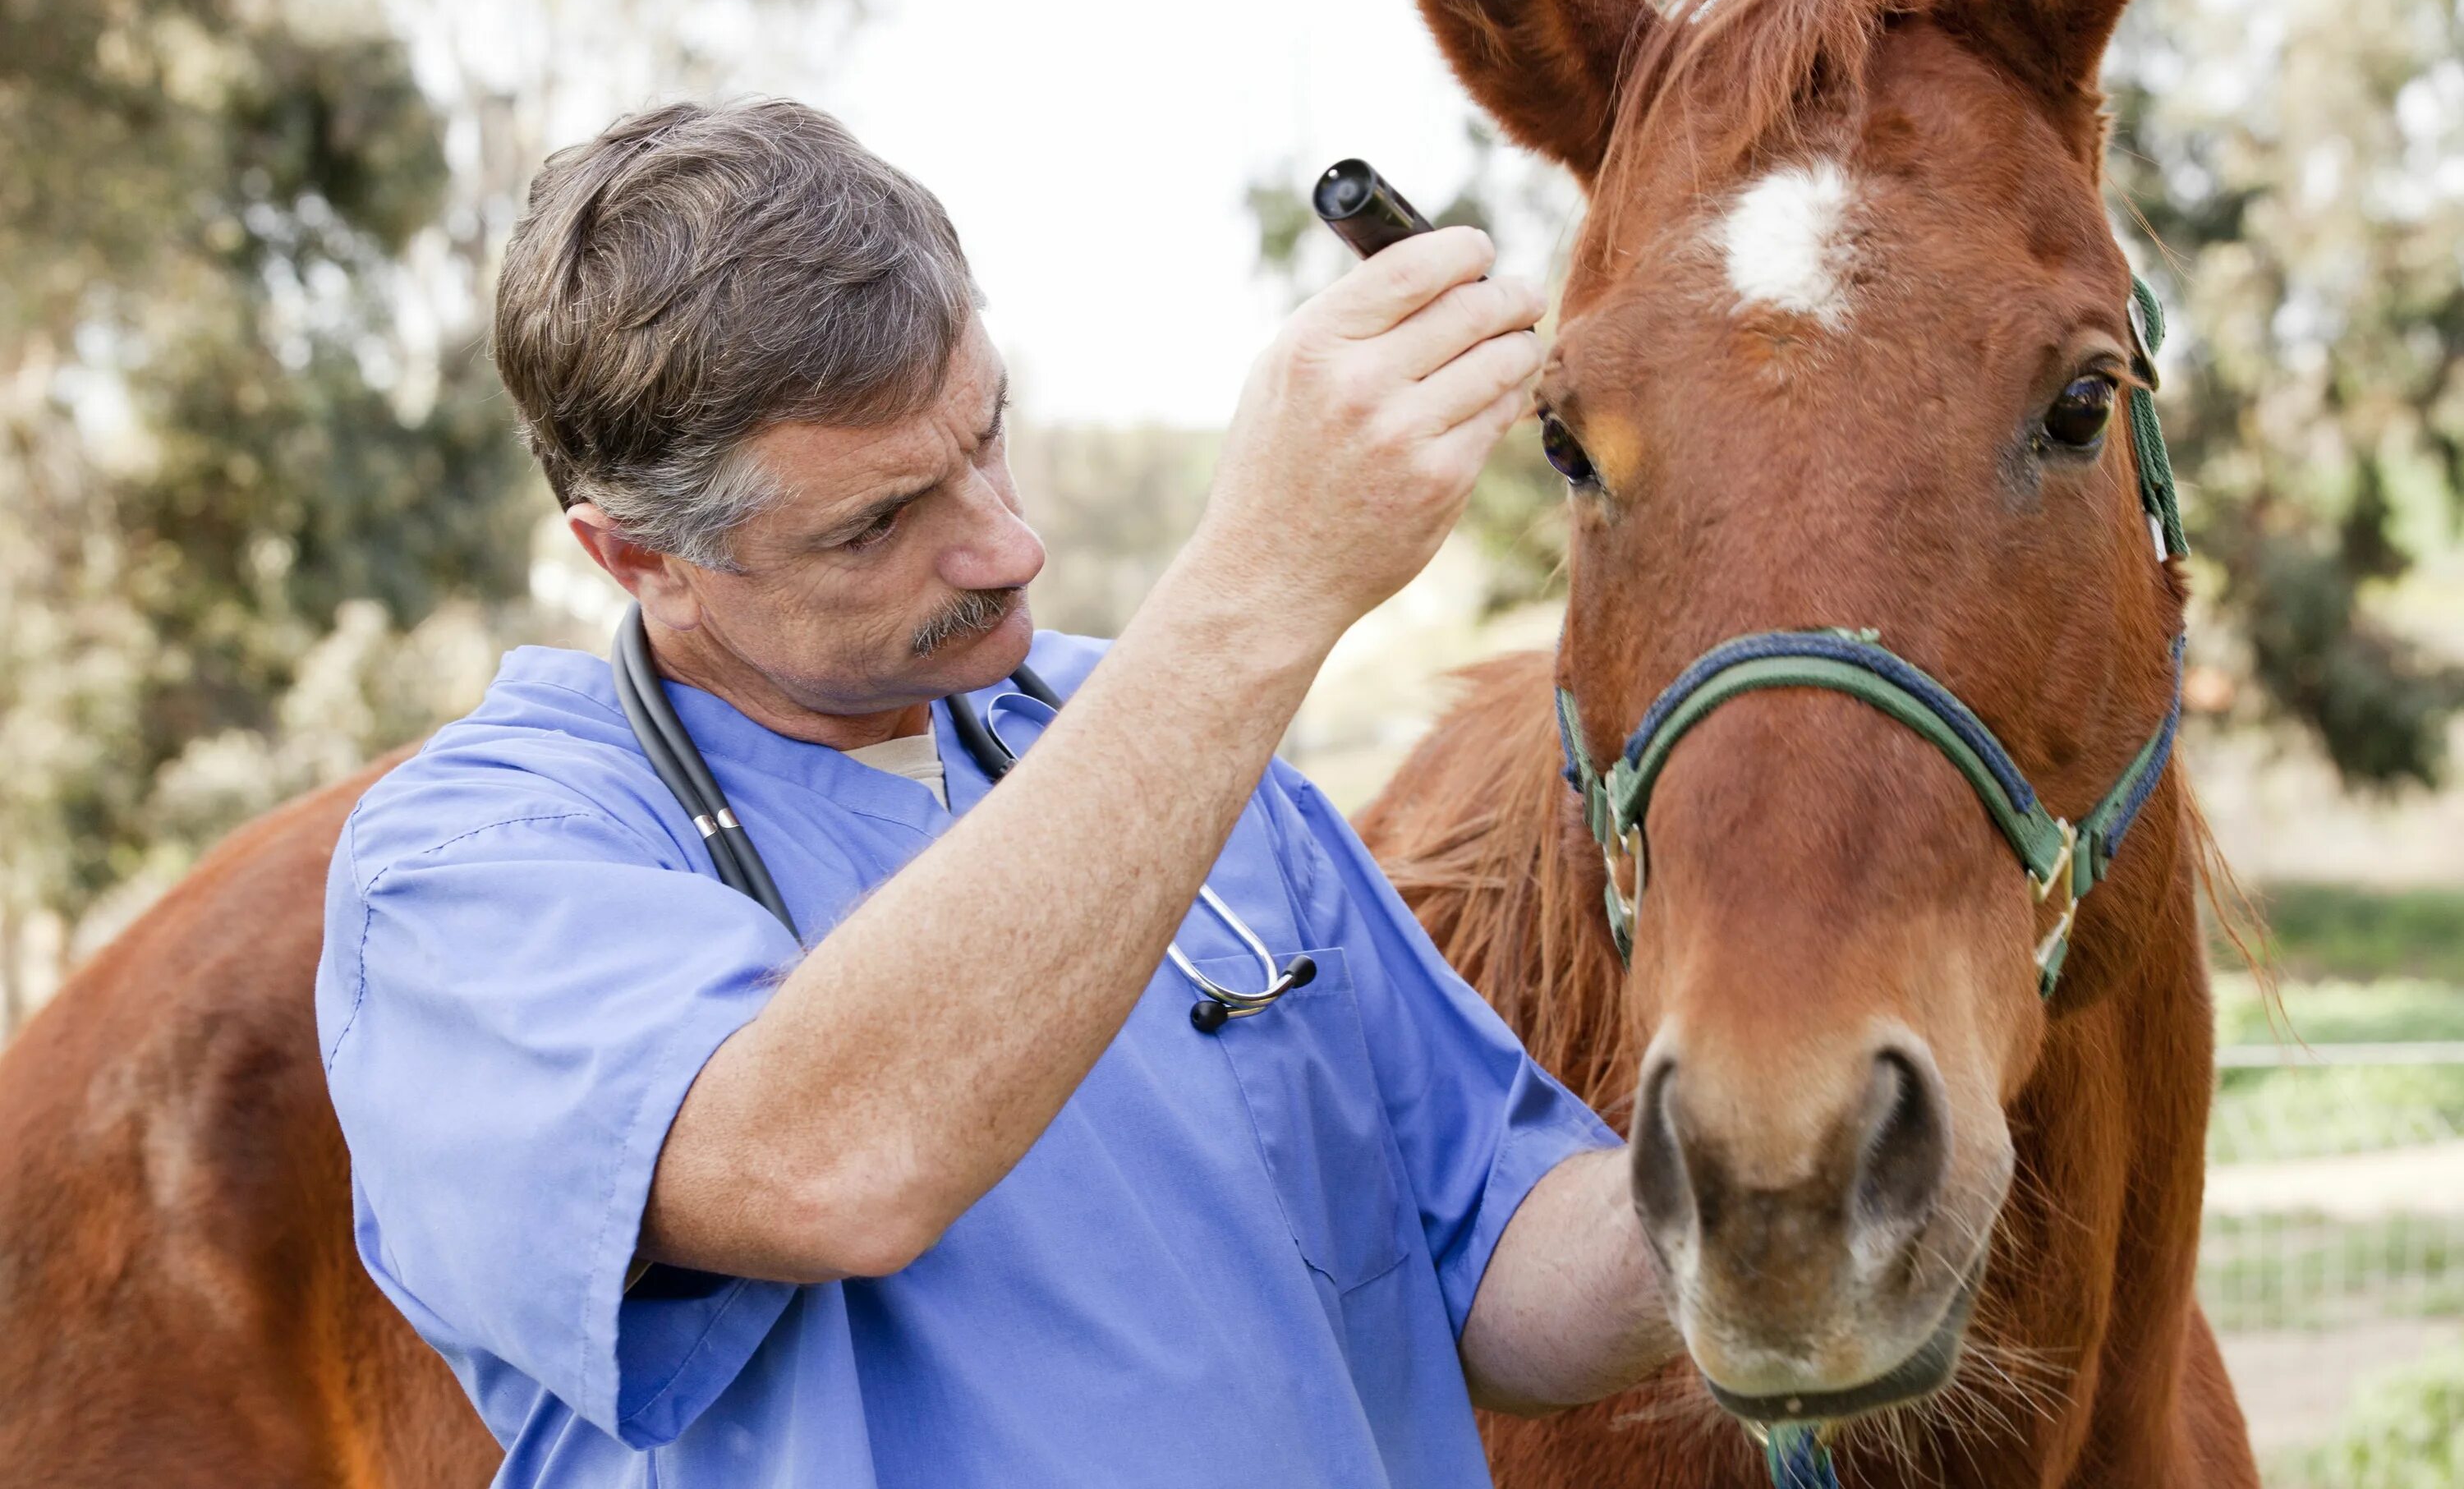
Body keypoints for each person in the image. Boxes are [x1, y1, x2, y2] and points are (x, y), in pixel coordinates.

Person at [315, 97, 1676, 1489]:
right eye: (878, 522)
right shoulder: (464, 873)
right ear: (637, 559)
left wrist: (1746, 1213)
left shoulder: (1156, 745)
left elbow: (1491, 1265)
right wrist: (1264, 581)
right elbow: (824, 1166)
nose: (1008, 547)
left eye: (986, 437)